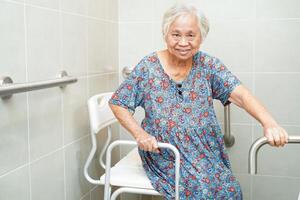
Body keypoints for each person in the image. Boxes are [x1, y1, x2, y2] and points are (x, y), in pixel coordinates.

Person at [108, 3, 289, 199]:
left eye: (191, 35)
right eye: (176, 35)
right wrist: (140, 134)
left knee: (230, 190)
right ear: (165, 34)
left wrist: (269, 123)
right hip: (165, 151)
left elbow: (241, 95)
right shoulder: (148, 67)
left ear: (201, 37)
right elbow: (118, 102)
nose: (183, 42)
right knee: (199, 189)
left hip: (204, 148)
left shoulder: (209, 65)